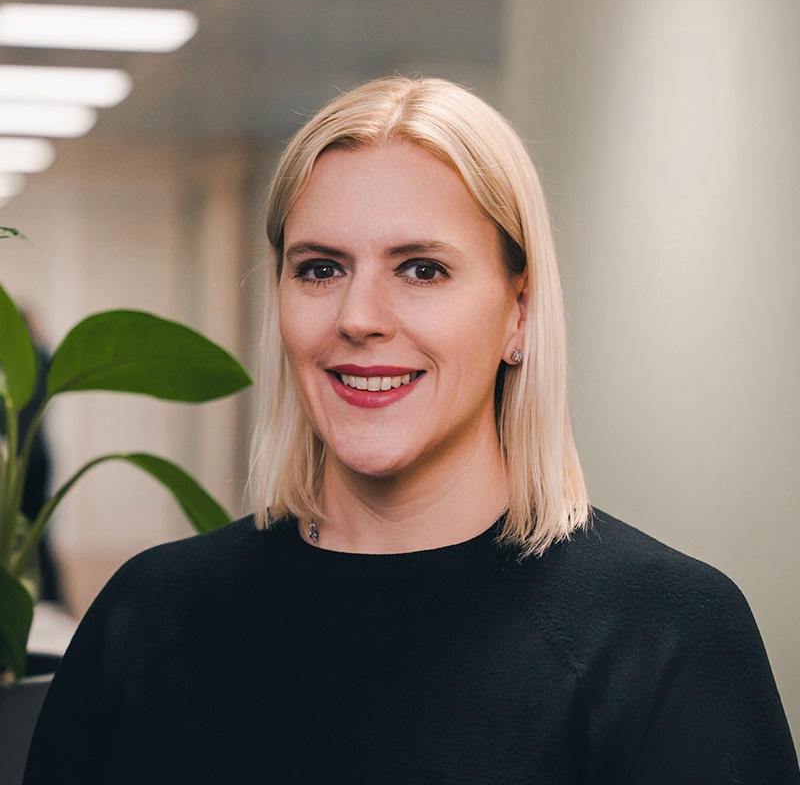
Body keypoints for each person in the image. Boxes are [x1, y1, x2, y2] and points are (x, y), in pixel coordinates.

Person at [24, 76, 799, 784]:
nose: (358, 318)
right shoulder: (151, 618)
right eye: (320, 268)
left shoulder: (665, 635)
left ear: (519, 315)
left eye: (422, 269)